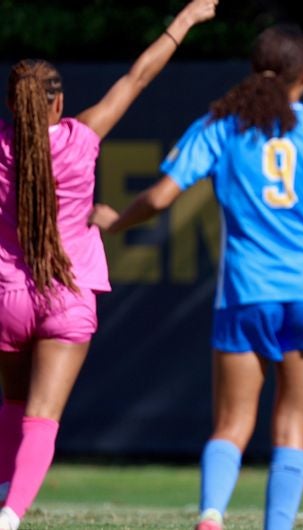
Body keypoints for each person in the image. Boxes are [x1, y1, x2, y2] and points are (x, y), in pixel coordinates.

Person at [89, 24, 303, 530]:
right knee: (292, 426)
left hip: (247, 293)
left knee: (233, 422)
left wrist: (116, 220)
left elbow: (159, 197)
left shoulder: (221, 126)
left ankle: (212, 515)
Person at [0, 2, 218, 529]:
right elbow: (138, 76)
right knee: (42, 417)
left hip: (7, 296)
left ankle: (5, 496)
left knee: (12, 404)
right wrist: (184, 20)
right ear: (58, 106)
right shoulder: (82, 135)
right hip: (66, 298)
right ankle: (10, 513)